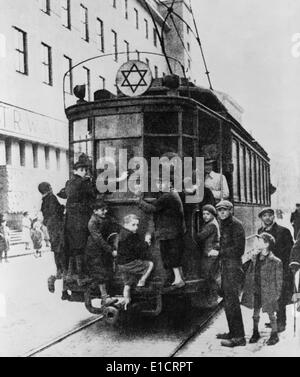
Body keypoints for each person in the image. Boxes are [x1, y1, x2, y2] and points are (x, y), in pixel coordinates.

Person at [138, 177, 186, 288]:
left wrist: (139, 200)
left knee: (171, 257)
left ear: (169, 183)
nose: (159, 185)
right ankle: (178, 279)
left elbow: (152, 208)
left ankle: (178, 280)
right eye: (157, 183)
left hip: (170, 233)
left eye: (161, 183)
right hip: (172, 231)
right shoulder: (171, 194)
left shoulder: (168, 196)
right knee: (172, 256)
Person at [58, 154, 96, 286]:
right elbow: (94, 194)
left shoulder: (69, 182)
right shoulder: (84, 182)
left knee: (73, 248)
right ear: (75, 171)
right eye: (82, 170)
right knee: (82, 247)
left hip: (69, 220)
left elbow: (63, 194)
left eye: (85, 169)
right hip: (81, 219)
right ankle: (81, 277)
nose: (84, 172)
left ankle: (70, 275)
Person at [242, 233, 283, 346]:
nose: (256, 243)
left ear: (266, 244)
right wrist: (250, 256)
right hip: (256, 290)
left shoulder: (276, 261)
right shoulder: (255, 257)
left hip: (268, 292)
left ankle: (274, 335)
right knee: (255, 314)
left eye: (259, 241)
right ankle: (255, 333)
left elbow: (279, 280)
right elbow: (244, 267)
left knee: (271, 314)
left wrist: (277, 294)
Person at [258, 208, 294, 332]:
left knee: (280, 294)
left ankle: (281, 322)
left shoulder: (283, 231)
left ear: (273, 217)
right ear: (261, 218)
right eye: (264, 216)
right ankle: (273, 320)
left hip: (280, 267)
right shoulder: (260, 231)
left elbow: (288, 251)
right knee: (270, 294)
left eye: (269, 215)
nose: (267, 218)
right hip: (267, 268)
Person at [215, 200, 246, 347]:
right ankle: (233, 332)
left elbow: (239, 250)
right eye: (219, 210)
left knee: (232, 302)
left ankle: (239, 337)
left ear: (231, 211)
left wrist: (219, 252)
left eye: (224, 210)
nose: (221, 212)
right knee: (228, 302)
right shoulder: (224, 224)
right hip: (226, 266)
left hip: (233, 268)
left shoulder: (236, 225)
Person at [38, 182, 69, 300]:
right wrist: (63, 208)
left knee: (61, 268)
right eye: (50, 187)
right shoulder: (51, 198)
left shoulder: (44, 201)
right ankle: (63, 290)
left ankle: (57, 282)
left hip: (54, 237)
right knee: (66, 265)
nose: (51, 188)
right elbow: (56, 213)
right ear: (48, 188)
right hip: (59, 235)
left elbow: (47, 217)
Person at [85, 200, 118, 307]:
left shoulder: (101, 218)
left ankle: (106, 296)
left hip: (101, 250)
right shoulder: (92, 222)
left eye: (106, 209)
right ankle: (104, 298)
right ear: (95, 211)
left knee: (104, 272)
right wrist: (110, 250)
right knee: (99, 274)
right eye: (102, 210)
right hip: (94, 251)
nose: (105, 211)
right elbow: (98, 239)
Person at [117, 214, 154, 308]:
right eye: (133, 225)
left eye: (137, 225)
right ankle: (142, 282)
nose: (136, 227)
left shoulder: (122, 233)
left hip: (121, 264)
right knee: (150, 264)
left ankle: (126, 301)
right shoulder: (130, 235)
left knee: (128, 284)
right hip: (129, 263)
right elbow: (139, 248)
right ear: (126, 224)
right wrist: (147, 242)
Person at [196, 205, 220, 305]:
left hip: (210, 254)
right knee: (210, 276)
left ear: (212, 214)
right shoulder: (212, 222)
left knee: (209, 276)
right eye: (203, 214)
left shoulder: (211, 225)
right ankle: (213, 296)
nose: (205, 216)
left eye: (207, 214)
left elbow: (200, 236)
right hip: (210, 253)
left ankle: (214, 298)